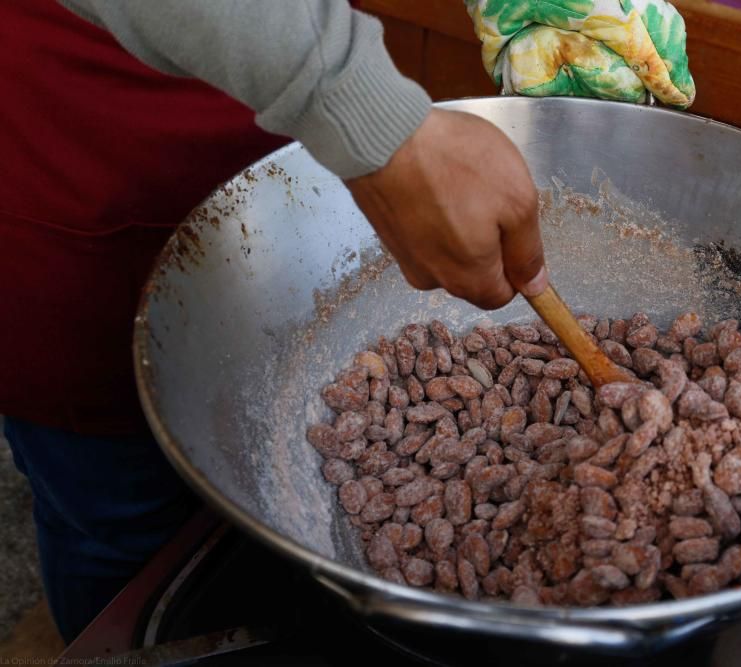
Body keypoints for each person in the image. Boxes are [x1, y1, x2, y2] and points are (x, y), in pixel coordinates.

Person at [2, 0, 691, 642]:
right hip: (82, 159)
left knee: (250, 551)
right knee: (124, 539)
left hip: (309, 145)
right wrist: (351, 100)